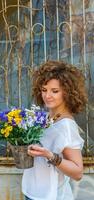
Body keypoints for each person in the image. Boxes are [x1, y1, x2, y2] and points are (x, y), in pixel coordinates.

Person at [22, 60, 87, 200]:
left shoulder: (66, 126)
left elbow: (78, 173)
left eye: (55, 91)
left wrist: (50, 155)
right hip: (31, 192)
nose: (47, 95)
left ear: (68, 93)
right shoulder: (44, 118)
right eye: (44, 90)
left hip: (52, 196)